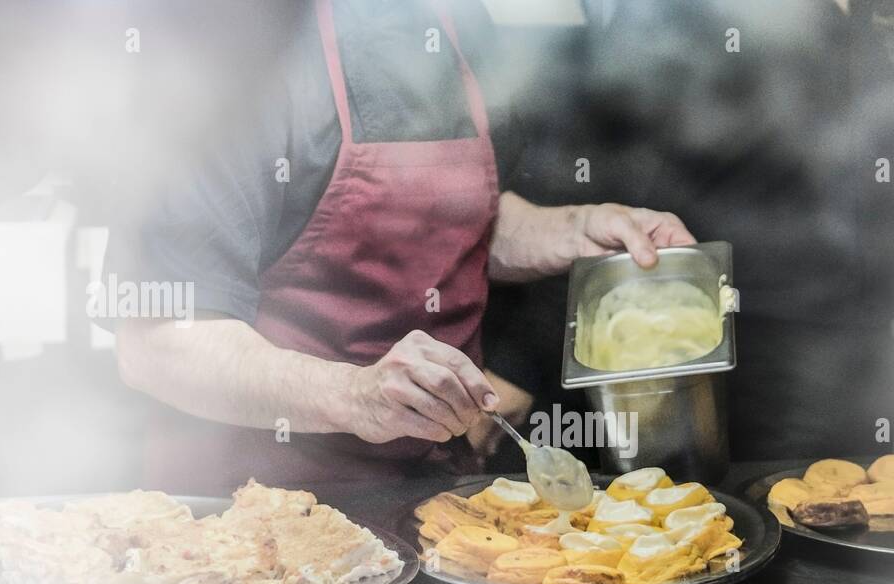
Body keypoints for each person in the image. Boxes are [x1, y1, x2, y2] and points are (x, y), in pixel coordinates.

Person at [110, 0, 693, 491]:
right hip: (257, 511)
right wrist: (357, 395)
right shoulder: (225, 47)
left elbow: (440, 217)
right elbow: (157, 342)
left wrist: (570, 228)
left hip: (437, 492)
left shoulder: (456, 22)